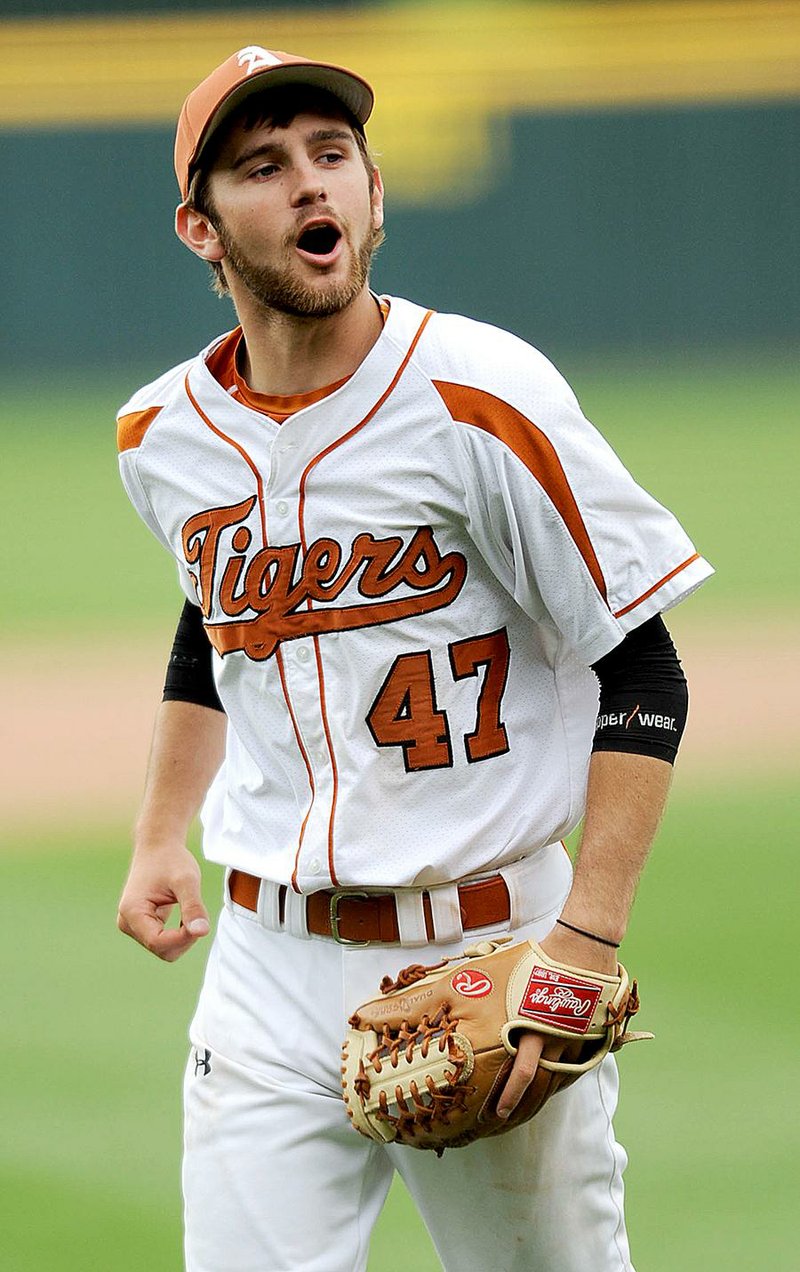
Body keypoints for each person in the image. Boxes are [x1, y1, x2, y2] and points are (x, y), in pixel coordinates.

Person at [116, 44, 712, 1272]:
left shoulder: (481, 395)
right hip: (262, 964)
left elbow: (642, 669)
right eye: (264, 167)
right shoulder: (159, 434)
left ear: (374, 194)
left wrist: (582, 948)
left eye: (331, 158)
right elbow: (215, 620)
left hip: (488, 953)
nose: (307, 187)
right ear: (200, 229)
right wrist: (158, 829)